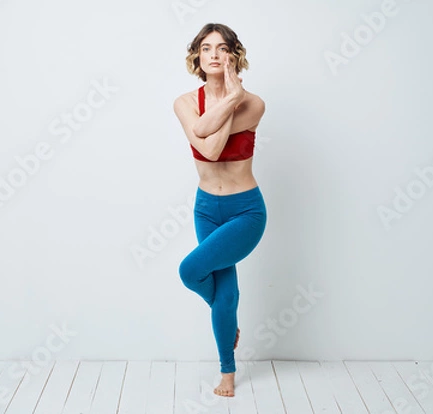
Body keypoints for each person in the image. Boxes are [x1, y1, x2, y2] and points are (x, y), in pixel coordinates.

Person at [173, 23, 267, 398]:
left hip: (245, 212)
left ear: (233, 55)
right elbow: (207, 146)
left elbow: (208, 142)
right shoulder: (183, 102)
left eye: (222, 48)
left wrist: (231, 101)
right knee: (225, 298)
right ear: (197, 55)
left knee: (190, 270)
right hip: (206, 209)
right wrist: (230, 98)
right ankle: (228, 351)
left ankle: (226, 355)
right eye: (206, 47)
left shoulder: (255, 104)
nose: (213, 54)